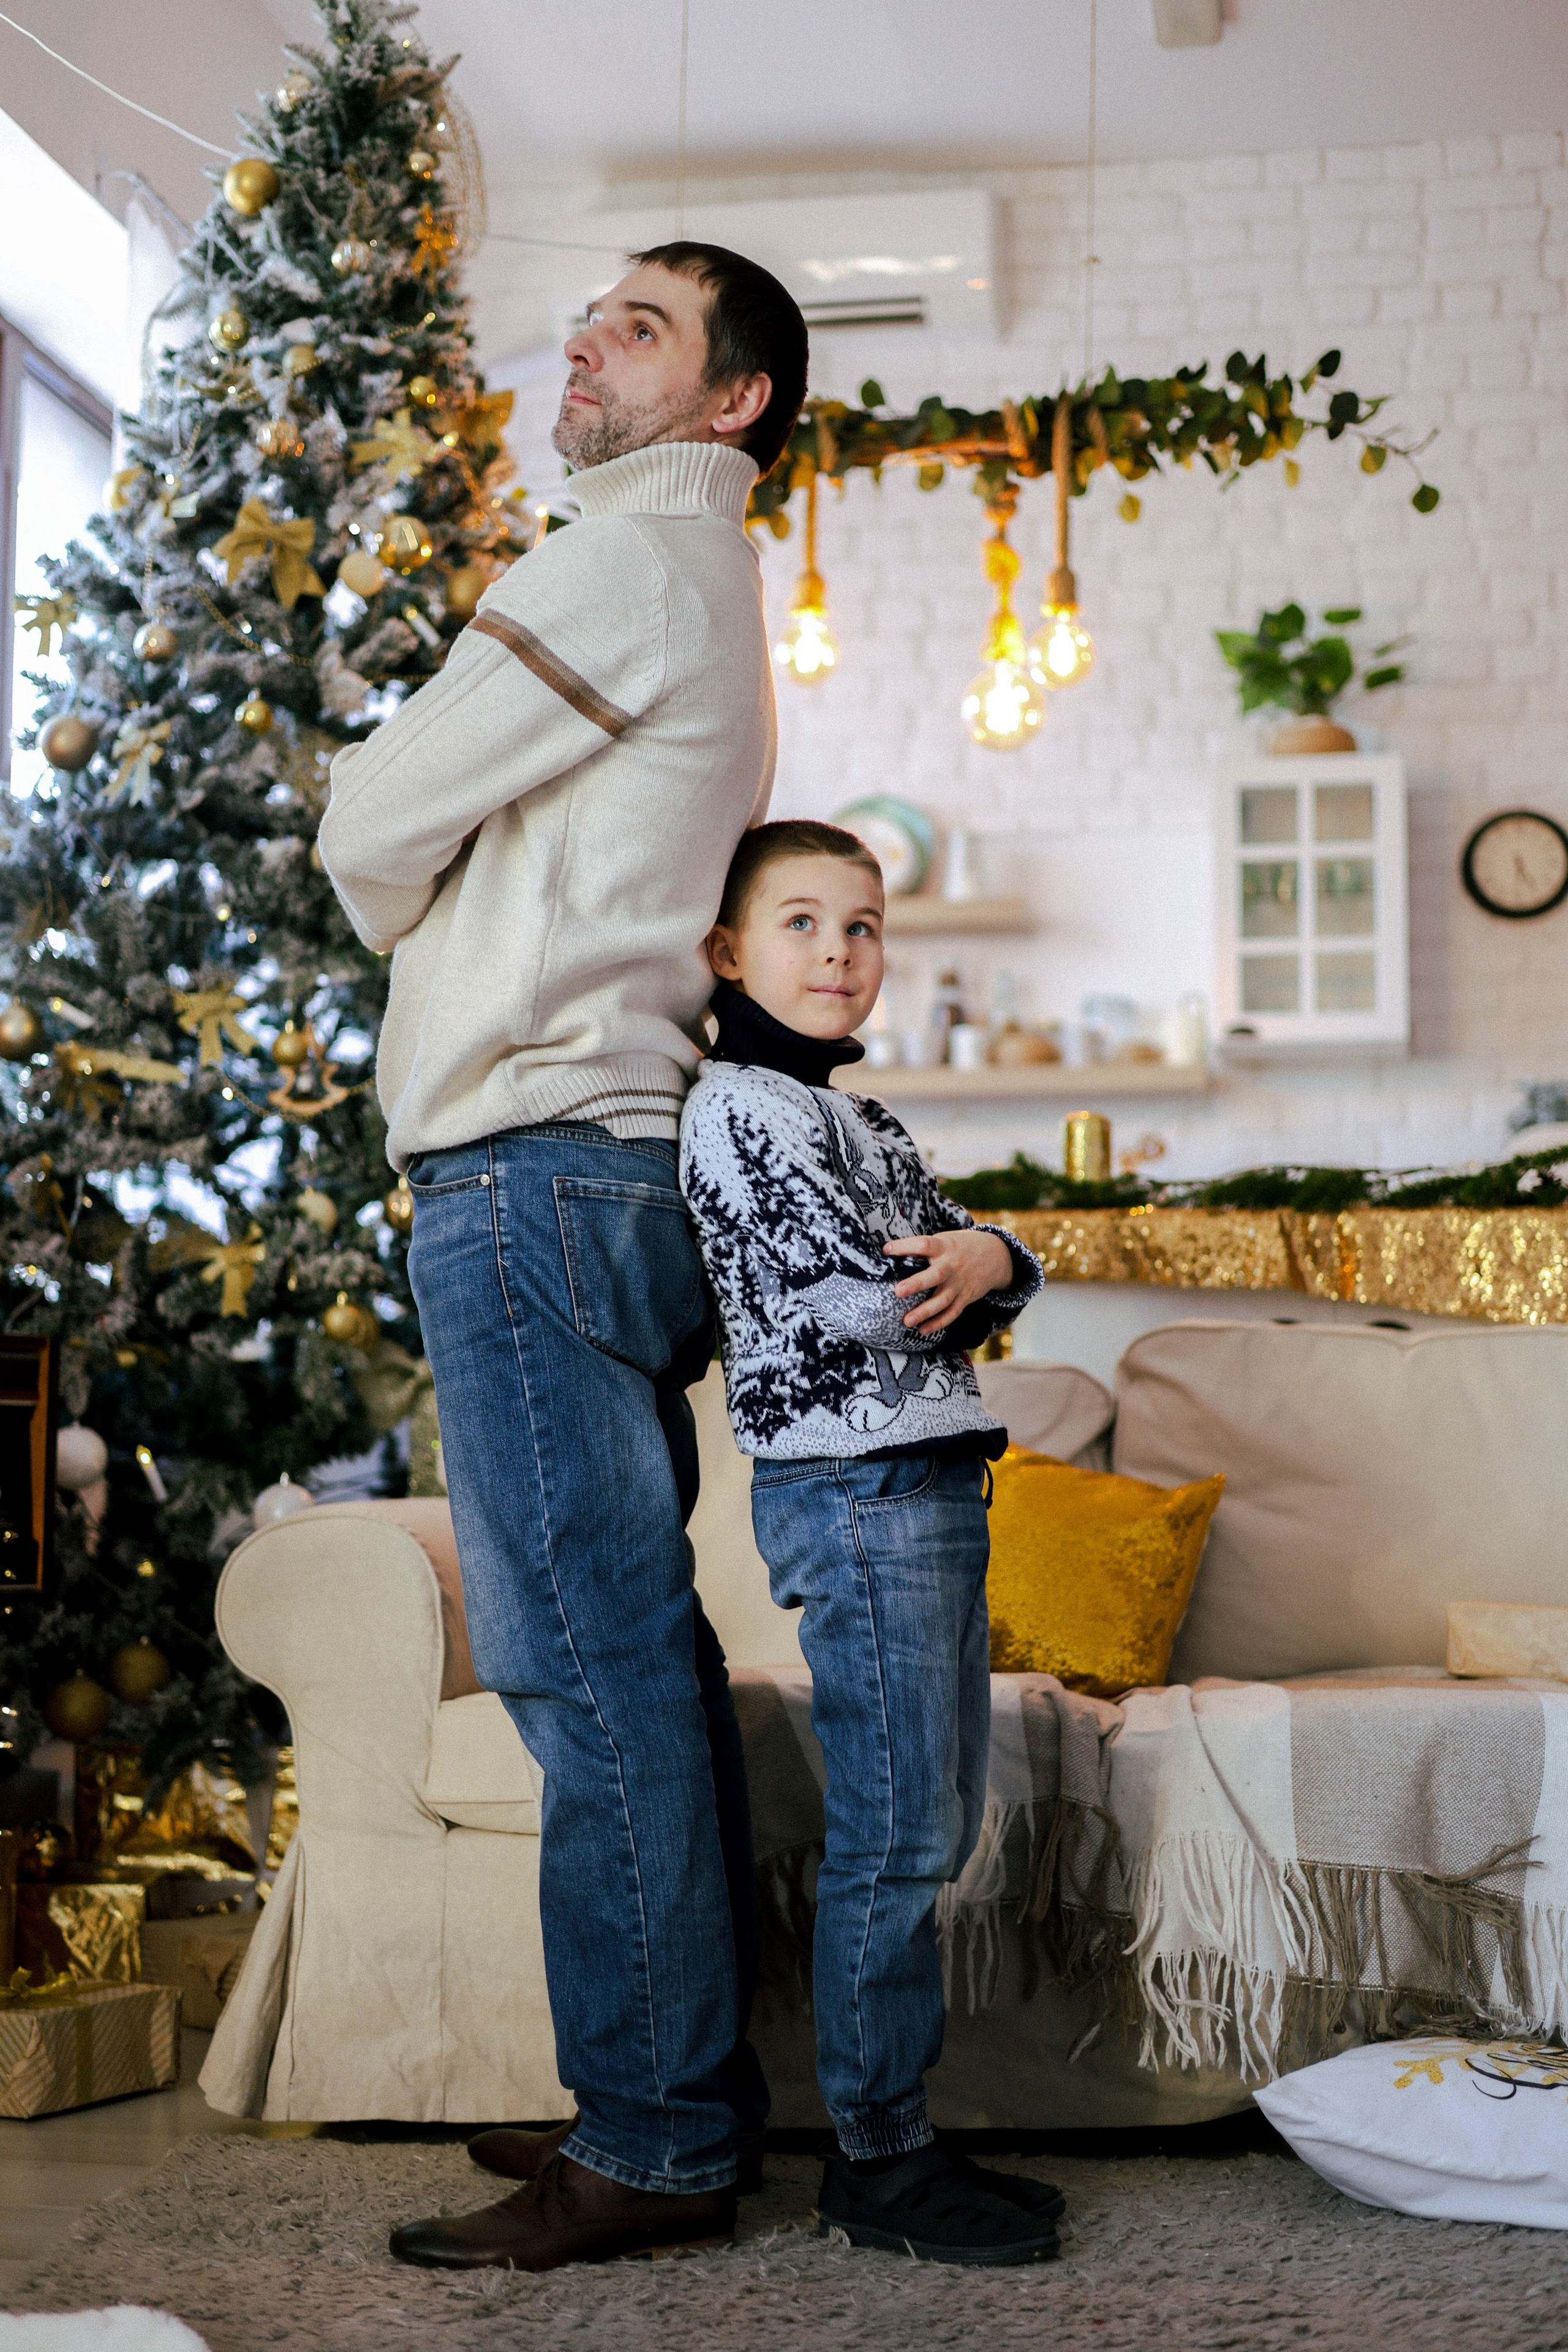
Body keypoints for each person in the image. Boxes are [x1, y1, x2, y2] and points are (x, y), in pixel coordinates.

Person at [318, 244, 807, 2273]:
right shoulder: (694, 576)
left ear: (732, 401)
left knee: (581, 1666)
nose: (587, 340)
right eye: (592, 311)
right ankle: (675, 2088)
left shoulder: (622, 561)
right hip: (601, 1167)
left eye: (643, 325)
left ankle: (658, 2140)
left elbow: (369, 822)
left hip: (532, 1162)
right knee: (637, 1656)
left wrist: (405, 864)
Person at [679, 820, 1064, 2266]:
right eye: (800, 923)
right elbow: (865, 1296)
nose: (838, 952)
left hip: (927, 1488)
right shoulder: (740, 1109)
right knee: (895, 1834)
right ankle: (878, 2161)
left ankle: (896, 2135)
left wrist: (995, 1258)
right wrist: (973, 1271)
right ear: (727, 953)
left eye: (861, 926)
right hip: (857, 1492)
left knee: (931, 1824)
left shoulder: (862, 1118)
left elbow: (978, 1257)